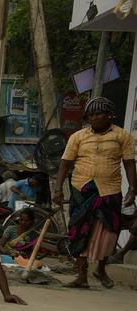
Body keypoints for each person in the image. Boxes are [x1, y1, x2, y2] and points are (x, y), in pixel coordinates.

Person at [54, 96, 137, 289]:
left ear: (109, 115)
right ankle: (81, 276)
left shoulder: (122, 136)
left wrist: (133, 188)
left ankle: (101, 268)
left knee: (108, 231)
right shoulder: (78, 137)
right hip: (81, 188)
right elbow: (65, 164)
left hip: (110, 189)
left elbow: (129, 164)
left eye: (98, 114)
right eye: (90, 115)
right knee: (79, 231)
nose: (94, 118)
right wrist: (58, 189)